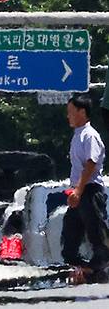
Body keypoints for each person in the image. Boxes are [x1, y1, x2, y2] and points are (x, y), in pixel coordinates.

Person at [62, 94, 109, 272]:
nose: (68, 116)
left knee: (96, 236)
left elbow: (91, 164)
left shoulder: (90, 135)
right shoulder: (77, 135)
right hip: (79, 192)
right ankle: (83, 269)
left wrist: (79, 191)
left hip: (89, 191)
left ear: (82, 112)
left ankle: (99, 271)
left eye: (71, 112)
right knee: (69, 239)